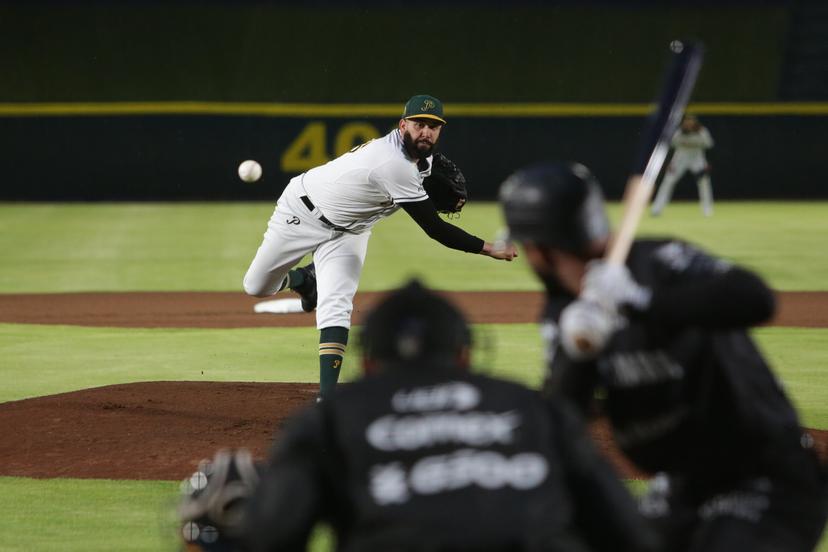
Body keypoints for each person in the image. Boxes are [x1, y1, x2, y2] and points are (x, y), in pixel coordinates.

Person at [499, 162, 828, 552]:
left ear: (539, 250)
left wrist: (642, 302)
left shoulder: (659, 262)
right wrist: (579, 351)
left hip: (767, 474)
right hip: (682, 485)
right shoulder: (567, 313)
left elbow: (755, 298)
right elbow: (565, 412)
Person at [243, 280, 659, 552]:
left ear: (368, 363)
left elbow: (271, 538)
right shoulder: (536, 409)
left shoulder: (332, 417)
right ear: (463, 355)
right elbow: (630, 536)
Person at [243, 94, 517, 401]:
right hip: (303, 211)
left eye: (434, 126)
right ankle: (304, 280)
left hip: (352, 230)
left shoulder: (422, 160)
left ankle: (328, 401)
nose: (426, 132)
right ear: (403, 126)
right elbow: (435, 228)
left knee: (336, 306)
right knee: (256, 286)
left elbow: (428, 181)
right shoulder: (392, 163)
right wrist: (489, 248)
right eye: (419, 124)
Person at [650, 114, 714, 217]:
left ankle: (707, 210)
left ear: (695, 123)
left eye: (691, 122)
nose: (688, 124)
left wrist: (707, 163)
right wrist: (668, 162)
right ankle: (656, 209)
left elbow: (709, 145)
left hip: (697, 160)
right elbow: (669, 147)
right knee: (667, 182)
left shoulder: (702, 132)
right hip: (679, 160)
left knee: (704, 184)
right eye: (687, 122)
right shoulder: (678, 133)